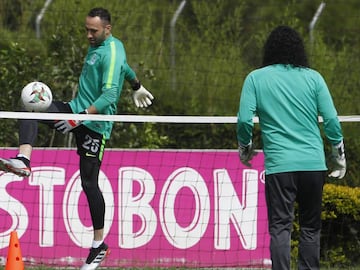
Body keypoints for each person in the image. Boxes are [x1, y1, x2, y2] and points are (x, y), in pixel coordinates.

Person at [0, 7, 154, 270]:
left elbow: (108, 97)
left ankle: (98, 246)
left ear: (108, 29)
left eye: (93, 31)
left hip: (95, 124)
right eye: (87, 30)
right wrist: (137, 85)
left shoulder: (112, 51)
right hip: (75, 111)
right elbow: (126, 68)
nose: (88, 35)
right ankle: (23, 159)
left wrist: (80, 118)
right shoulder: (105, 46)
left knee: (89, 183)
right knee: (31, 105)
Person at [236, 25, 346, 270]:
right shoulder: (314, 78)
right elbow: (331, 120)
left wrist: (245, 148)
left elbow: (244, 120)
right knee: (310, 227)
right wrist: (338, 155)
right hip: (313, 165)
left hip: (279, 167)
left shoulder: (255, 78)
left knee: (280, 228)